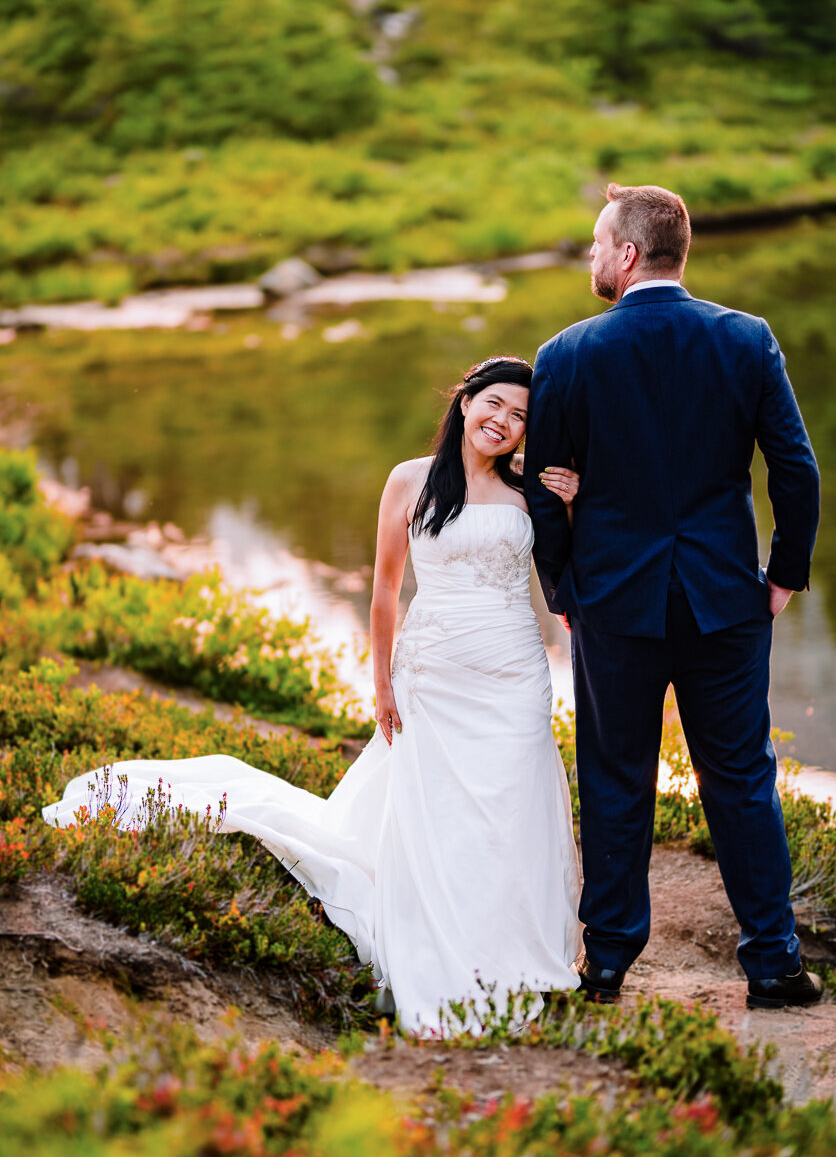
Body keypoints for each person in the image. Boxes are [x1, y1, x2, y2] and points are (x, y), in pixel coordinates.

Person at [43, 357, 583, 1033]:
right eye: (494, 404)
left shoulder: (531, 490)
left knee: (514, 804)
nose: (503, 422)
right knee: (442, 809)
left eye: (521, 417)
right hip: (434, 673)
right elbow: (385, 590)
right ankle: (449, 943)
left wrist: (570, 506)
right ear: (467, 400)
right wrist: (381, 681)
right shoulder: (410, 480)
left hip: (512, 674)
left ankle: (520, 947)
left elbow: (568, 581)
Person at [523, 183, 822, 1010]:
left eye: (594, 243)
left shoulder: (568, 354)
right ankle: (772, 964)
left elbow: (544, 494)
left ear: (626, 254)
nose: (590, 256)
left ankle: (608, 963)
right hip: (727, 601)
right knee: (740, 780)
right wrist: (784, 577)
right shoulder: (746, 339)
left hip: (613, 604)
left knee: (616, 778)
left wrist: (565, 588)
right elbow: (795, 473)